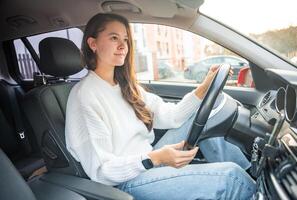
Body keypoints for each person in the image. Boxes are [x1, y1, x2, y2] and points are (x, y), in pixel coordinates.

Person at [65, 13, 256, 200]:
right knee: (231, 178)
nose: (123, 46)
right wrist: (156, 158)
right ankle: (251, 189)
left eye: (125, 39)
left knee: (210, 113)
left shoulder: (126, 87)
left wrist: (204, 88)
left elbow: (171, 117)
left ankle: (253, 174)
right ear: (93, 44)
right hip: (125, 181)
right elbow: (102, 170)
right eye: (114, 38)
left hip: (148, 160)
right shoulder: (85, 96)